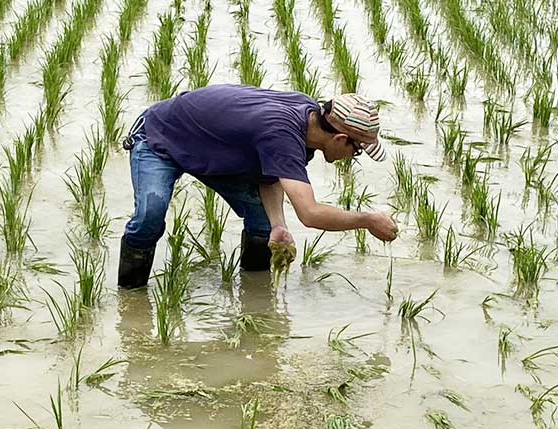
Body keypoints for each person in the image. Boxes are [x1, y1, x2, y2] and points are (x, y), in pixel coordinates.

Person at [117, 84, 399, 289]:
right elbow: (310, 214)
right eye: (358, 150)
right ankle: (130, 299)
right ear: (339, 139)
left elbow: (269, 173)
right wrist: (367, 220)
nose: (354, 157)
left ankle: (256, 300)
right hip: (159, 136)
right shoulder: (283, 132)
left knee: (266, 228)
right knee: (150, 214)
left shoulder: (307, 119)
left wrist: (278, 224)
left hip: (214, 152)